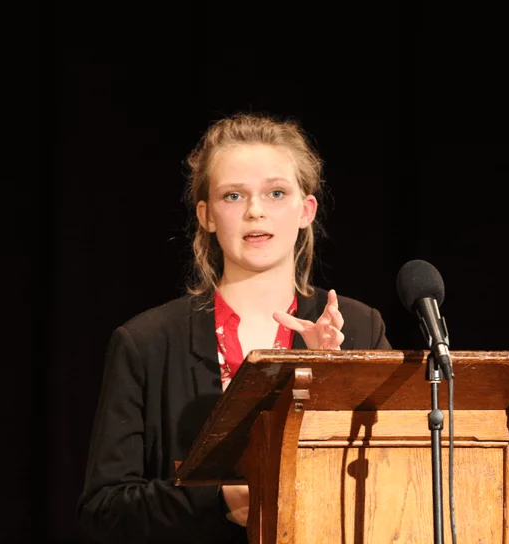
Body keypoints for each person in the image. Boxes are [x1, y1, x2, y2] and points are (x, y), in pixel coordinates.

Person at [77, 112, 391, 543]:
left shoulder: (358, 327)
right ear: (206, 215)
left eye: (276, 192)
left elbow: (392, 477)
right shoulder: (146, 342)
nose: (255, 211)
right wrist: (220, 501)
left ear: (306, 209)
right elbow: (104, 508)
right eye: (233, 196)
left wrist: (335, 379)